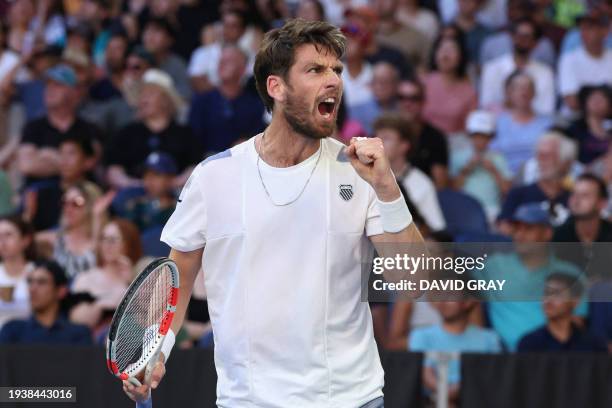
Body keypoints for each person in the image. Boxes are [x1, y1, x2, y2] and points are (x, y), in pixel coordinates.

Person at [123, 19, 425, 408]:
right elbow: (176, 276)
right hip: (248, 400)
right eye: (315, 70)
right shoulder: (215, 176)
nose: (332, 80)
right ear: (276, 86)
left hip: (350, 398)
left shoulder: (360, 171)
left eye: (336, 70)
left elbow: (414, 281)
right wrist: (156, 350)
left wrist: (387, 188)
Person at [474, 203, 587, 350]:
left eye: (528, 229)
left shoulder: (570, 273)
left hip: (552, 358)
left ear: (547, 233)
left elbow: (577, 321)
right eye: (516, 228)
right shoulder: (493, 266)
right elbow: (466, 295)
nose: (520, 235)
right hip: (503, 359)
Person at [106, 68, 202, 189]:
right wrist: (137, 185)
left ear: (166, 101)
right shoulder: (126, 134)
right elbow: (114, 171)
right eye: (142, 94)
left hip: (176, 195)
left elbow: (195, 168)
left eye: (150, 93)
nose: (144, 98)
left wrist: (170, 185)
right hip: (134, 196)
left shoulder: (185, 134)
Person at [16, 64, 103, 189]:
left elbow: (91, 163)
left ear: (74, 92)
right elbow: (26, 166)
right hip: (40, 193)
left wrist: (48, 155)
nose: (50, 89)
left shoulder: (89, 129)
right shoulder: (33, 127)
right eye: (48, 85)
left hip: (78, 192)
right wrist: (72, 162)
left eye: (58, 85)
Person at [409, 296, 502, 407]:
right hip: (432, 401)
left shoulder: (490, 339)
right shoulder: (420, 335)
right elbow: (425, 374)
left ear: (469, 301)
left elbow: (491, 377)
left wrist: (457, 392)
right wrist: (446, 395)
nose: (442, 301)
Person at [374, 113, 447, 231]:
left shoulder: (422, 183)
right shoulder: (366, 177)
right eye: (376, 138)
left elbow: (436, 230)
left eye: (386, 139)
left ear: (404, 146)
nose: (378, 144)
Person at [188, 45, 266, 156]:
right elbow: (192, 140)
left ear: (242, 69)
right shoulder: (201, 101)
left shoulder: (255, 104)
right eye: (221, 61)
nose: (221, 64)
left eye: (229, 61)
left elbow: (259, 140)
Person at [70, 218, 142, 332]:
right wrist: (102, 305)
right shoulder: (86, 278)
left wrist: (128, 283)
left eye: (113, 240)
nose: (107, 245)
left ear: (128, 244)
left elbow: (144, 322)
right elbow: (77, 321)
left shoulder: (140, 277)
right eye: (103, 239)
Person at [0, 259, 91, 345]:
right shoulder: (12, 331)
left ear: (61, 291)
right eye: (30, 282)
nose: (32, 289)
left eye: (41, 282)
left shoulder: (78, 334)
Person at [480, 18, 555, 115]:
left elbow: (546, 110)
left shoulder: (545, 72)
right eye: (518, 35)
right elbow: (486, 106)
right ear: (512, 37)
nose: (522, 40)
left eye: (527, 36)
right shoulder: (492, 68)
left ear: (535, 43)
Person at [518, 273, 608, 352]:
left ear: (575, 301)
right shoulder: (529, 343)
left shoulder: (593, 345)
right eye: (546, 293)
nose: (548, 299)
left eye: (557, 294)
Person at [450, 110, 512, 222]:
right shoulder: (458, 157)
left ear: (491, 137)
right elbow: (453, 189)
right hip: (465, 209)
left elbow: (507, 190)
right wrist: (466, 169)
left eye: (485, 136)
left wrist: (493, 170)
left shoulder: (499, 158)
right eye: (476, 136)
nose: (480, 140)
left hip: (492, 210)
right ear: (469, 135)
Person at [490, 70, 554, 175]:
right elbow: (492, 155)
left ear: (534, 93)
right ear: (508, 93)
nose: (524, 92)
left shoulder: (547, 124)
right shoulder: (497, 123)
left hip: (537, 177)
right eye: (518, 88)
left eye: (528, 88)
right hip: (503, 178)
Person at [553, 173, 612, 277]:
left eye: (585, 195)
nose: (576, 200)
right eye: (574, 194)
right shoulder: (558, 236)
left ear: (602, 203)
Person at [397, 78, 449, 189]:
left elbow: (441, 185)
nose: (407, 103)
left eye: (414, 99)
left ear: (423, 102)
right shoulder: (383, 134)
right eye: (401, 98)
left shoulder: (435, 138)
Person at [422, 34, 478, 134]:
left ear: (461, 56)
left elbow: (469, 128)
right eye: (441, 49)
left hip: (455, 144)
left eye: (451, 50)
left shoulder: (469, 92)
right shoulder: (423, 83)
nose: (445, 54)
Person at [558, 11, 612, 113]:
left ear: (605, 31)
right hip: (575, 121)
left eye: (589, 27)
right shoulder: (569, 59)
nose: (583, 32)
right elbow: (571, 101)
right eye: (582, 28)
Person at [187, 9, 251, 94]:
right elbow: (196, 81)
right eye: (225, 25)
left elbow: (250, 85)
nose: (227, 30)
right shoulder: (202, 53)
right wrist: (224, 93)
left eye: (233, 26)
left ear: (243, 31)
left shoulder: (251, 57)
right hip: (208, 102)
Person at [124, 152, 177, 232]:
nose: (149, 180)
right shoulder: (136, 207)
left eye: (156, 175)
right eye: (146, 174)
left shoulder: (180, 207)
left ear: (170, 178)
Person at [141, 17, 191, 100]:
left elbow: (186, 95)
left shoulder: (177, 65)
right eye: (147, 31)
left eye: (156, 31)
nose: (150, 36)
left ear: (169, 40)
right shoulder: (137, 61)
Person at [0, 215, 36, 328]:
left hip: (29, 340)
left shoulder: (39, 273)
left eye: (8, 235)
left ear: (25, 240)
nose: (2, 241)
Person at [564, 85, 612, 165]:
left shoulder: (610, 133)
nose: (597, 102)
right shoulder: (573, 131)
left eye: (601, 99)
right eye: (593, 98)